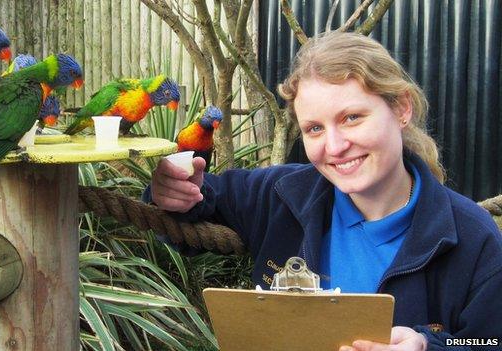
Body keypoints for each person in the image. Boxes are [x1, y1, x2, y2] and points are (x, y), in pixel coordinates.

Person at [144, 32, 502, 350]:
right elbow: (194, 207)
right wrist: (174, 190)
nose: (334, 146)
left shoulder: (471, 237)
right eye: (314, 128)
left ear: (401, 108)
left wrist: (428, 344)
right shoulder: (283, 195)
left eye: (351, 118)